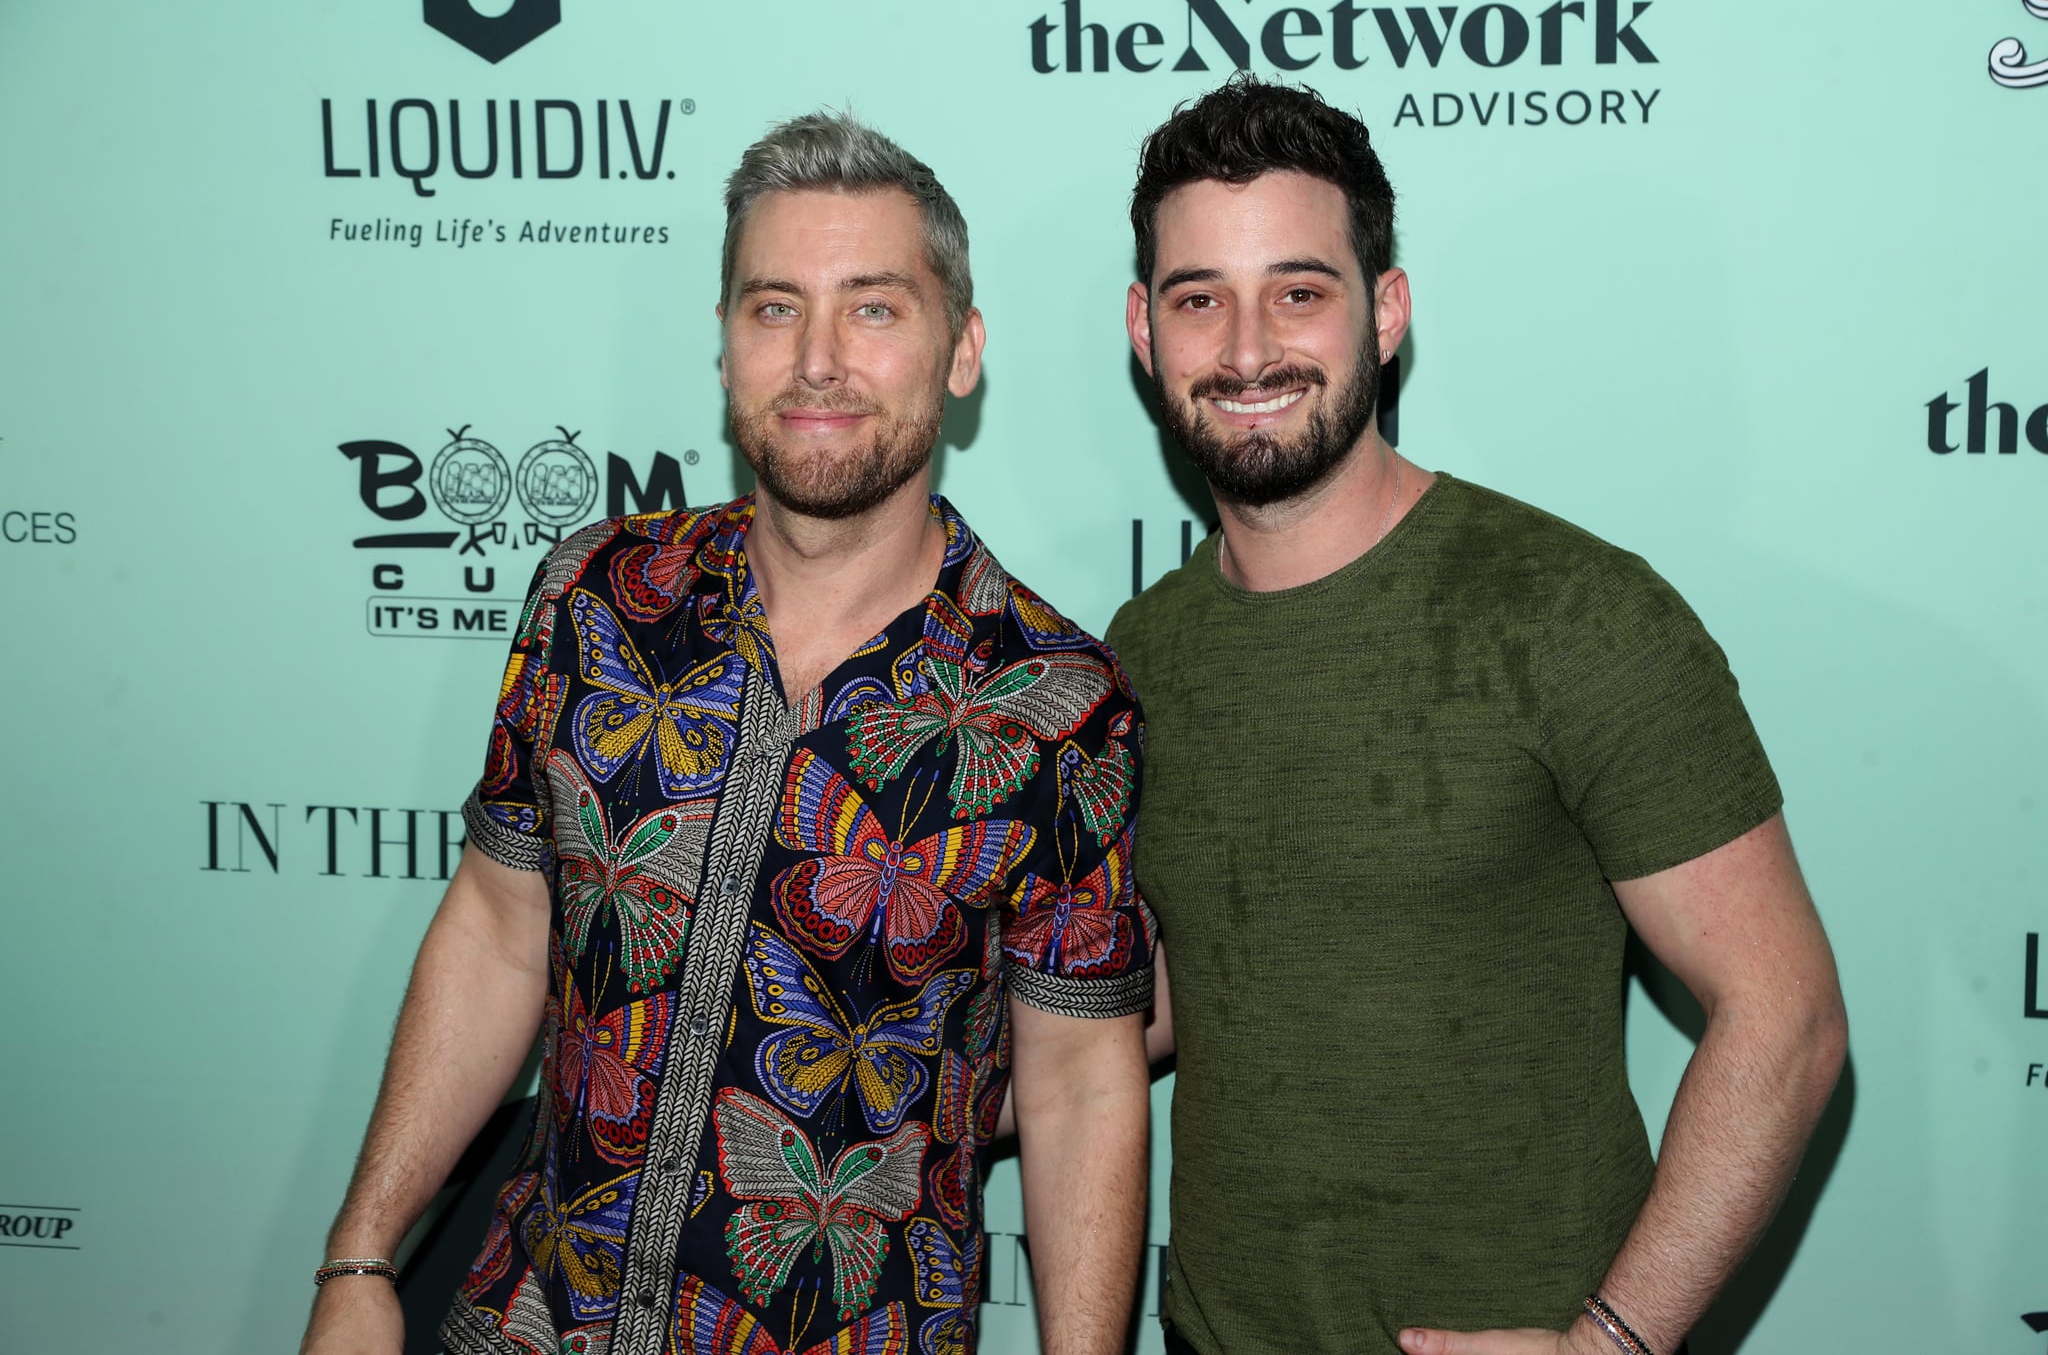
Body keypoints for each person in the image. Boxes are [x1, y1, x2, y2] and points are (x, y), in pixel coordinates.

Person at [301, 113, 1155, 1355]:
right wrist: (364, 1257)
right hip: (533, 1326)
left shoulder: (1059, 705)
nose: (816, 359)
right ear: (721, 347)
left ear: (959, 351)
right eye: (772, 308)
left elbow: (1081, 1084)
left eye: (872, 308)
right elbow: (495, 930)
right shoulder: (593, 598)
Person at [1108, 76, 1848, 1355]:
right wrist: (888, 1063)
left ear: (1383, 313)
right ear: (1143, 328)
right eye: (1197, 299)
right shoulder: (1140, 648)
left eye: (1298, 290)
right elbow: (1184, 981)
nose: (1243, 350)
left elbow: (1783, 1014)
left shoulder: (1570, 611)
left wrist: (1606, 1342)